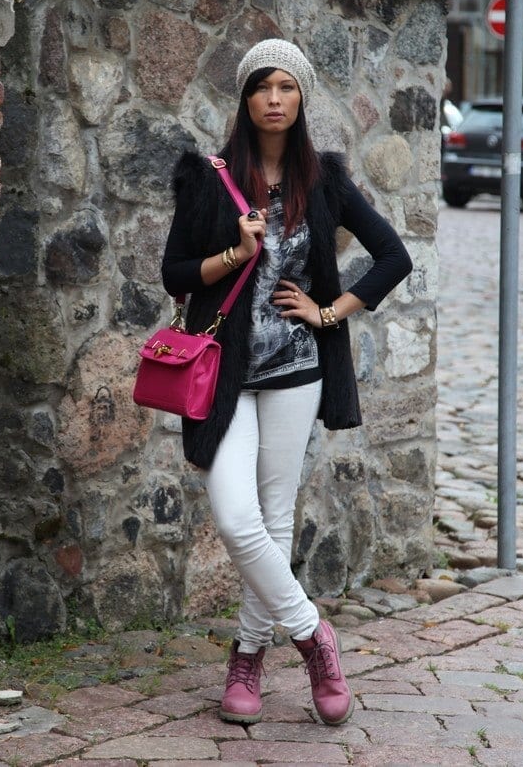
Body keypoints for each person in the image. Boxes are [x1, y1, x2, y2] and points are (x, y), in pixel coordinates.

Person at [161, 39, 413, 727]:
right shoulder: (208, 178)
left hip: (297, 371)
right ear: (244, 100)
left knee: (273, 519)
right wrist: (233, 254)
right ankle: (314, 638)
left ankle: (247, 657)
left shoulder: (323, 180)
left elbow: (394, 256)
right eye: (261, 87)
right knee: (238, 517)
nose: (275, 99)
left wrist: (329, 311)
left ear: (301, 99)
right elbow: (174, 274)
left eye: (287, 88)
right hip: (222, 373)